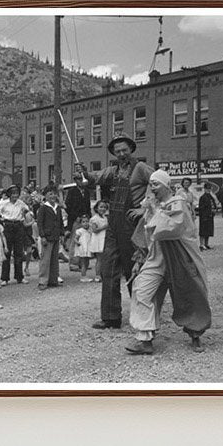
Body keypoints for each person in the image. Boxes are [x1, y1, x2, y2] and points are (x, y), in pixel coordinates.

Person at [125, 169, 211, 356]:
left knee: (190, 293)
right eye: (151, 184)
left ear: (166, 185)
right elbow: (145, 233)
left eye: (156, 184)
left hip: (179, 257)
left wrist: (154, 210)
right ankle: (145, 339)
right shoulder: (152, 205)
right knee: (142, 289)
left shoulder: (178, 203)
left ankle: (195, 334)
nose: (152, 188)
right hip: (157, 257)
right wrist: (139, 257)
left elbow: (172, 229)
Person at [76, 136, 153, 329]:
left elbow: (160, 183)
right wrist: (84, 173)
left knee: (132, 271)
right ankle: (111, 317)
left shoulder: (141, 168)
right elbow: (94, 178)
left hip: (131, 226)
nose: (121, 154)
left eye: (124, 150)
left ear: (131, 149)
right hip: (113, 225)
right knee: (108, 269)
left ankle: (141, 318)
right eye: (117, 151)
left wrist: (145, 208)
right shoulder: (113, 171)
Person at [0, 184, 29, 285]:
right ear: (9, 194)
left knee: (19, 252)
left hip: (18, 226)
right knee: (7, 252)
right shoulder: (4, 203)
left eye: (17, 193)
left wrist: (26, 213)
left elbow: (28, 211)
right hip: (8, 226)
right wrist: (0, 219)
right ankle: (5, 278)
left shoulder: (21, 203)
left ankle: (19, 277)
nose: (15, 195)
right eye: (13, 193)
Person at [36, 185, 65, 289]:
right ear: (46, 196)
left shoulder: (57, 208)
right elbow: (40, 223)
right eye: (50, 194)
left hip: (56, 236)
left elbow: (60, 222)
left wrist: (62, 233)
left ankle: (53, 280)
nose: (53, 196)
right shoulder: (43, 208)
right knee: (45, 260)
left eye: (54, 194)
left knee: (54, 260)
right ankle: (43, 281)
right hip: (47, 237)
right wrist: (42, 236)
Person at [89, 200, 109, 283]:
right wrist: (104, 227)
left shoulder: (105, 218)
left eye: (104, 207)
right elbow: (94, 230)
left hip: (103, 238)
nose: (103, 209)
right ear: (96, 208)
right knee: (99, 258)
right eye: (101, 207)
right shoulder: (94, 219)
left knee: (104, 258)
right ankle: (97, 275)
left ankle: (103, 273)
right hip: (98, 239)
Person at [72, 215, 94, 281]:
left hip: (88, 247)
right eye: (83, 222)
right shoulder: (80, 231)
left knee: (87, 262)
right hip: (83, 247)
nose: (86, 223)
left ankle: (85, 274)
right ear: (81, 223)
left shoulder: (90, 230)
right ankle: (83, 275)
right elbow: (75, 238)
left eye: (87, 221)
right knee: (84, 262)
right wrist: (77, 242)